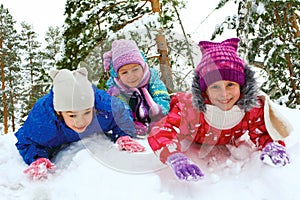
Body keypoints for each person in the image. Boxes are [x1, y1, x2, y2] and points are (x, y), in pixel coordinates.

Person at [147, 38, 293, 181]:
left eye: (230, 85)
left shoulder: (251, 108)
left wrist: (270, 145)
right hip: (197, 142)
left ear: (241, 86)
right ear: (205, 91)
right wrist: (174, 156)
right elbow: (162, 131)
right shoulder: (189, 109)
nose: (224, 93)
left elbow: (262, 131)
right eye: (215, 86)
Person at [15, 67, 145, 180]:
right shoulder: (43, 122)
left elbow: (121, 116)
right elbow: (26, 141)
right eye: (72, 115)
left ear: (94, 108)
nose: (80, 121)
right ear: (59, 112)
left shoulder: (104, 107)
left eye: (87, 112)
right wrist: (37, 158)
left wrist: (123, 134)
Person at [103, 39, 170, 138]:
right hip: (133, 119)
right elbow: (121, 107)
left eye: (135, 69)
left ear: (142, 67)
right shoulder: (117, 89)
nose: (131, 76)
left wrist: (159, 110)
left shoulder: (151, 78)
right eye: (124, 72)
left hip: (157, 115)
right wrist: (131, 122)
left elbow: (161, 95)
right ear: (118, 75)